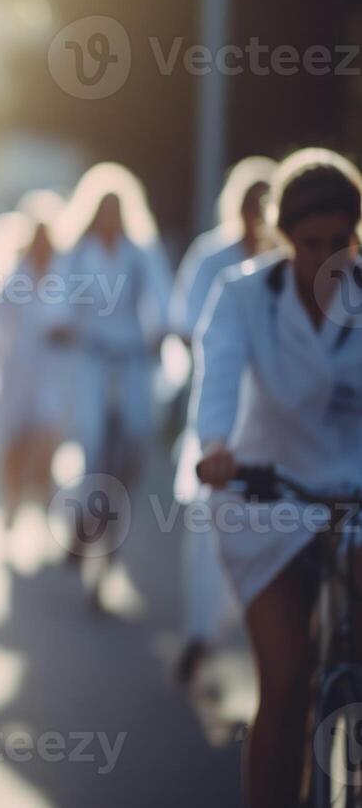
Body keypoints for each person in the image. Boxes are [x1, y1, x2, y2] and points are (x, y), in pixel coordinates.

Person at [192, 148, 362, 808]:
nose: (326, 257)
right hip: (266, 495)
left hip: (353, 496)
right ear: (284, 236)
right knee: (288, 680)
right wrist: (215, 447)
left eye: (339, 242)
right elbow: (219, 379)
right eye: (310, 242)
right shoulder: (243, 297)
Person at [167, 155, 276, 685]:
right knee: (211, 533)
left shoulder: (299, 267)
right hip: (225, 416)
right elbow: (188, 324)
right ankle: (201, 636)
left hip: (284, 434)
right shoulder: (216, 261)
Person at [54, 163, 172, 602]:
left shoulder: (140, 254)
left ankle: (102, 526)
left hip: (133, 362)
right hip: (91, 363)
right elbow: (58, 302)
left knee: (136, 446)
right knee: (93, 445)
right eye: (103, 210)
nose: (109, 218)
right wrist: (62, 326)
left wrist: (164, 330)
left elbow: (162, 299)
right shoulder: (78, 254)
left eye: (116, 210)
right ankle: (85, 522)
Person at [0, 192, 72, 534]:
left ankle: (41, 499)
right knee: (14, 442)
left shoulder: (67, 273)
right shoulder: (14, 273)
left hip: (52, 371)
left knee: (47, 440)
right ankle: (11, 499)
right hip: (17, 369)